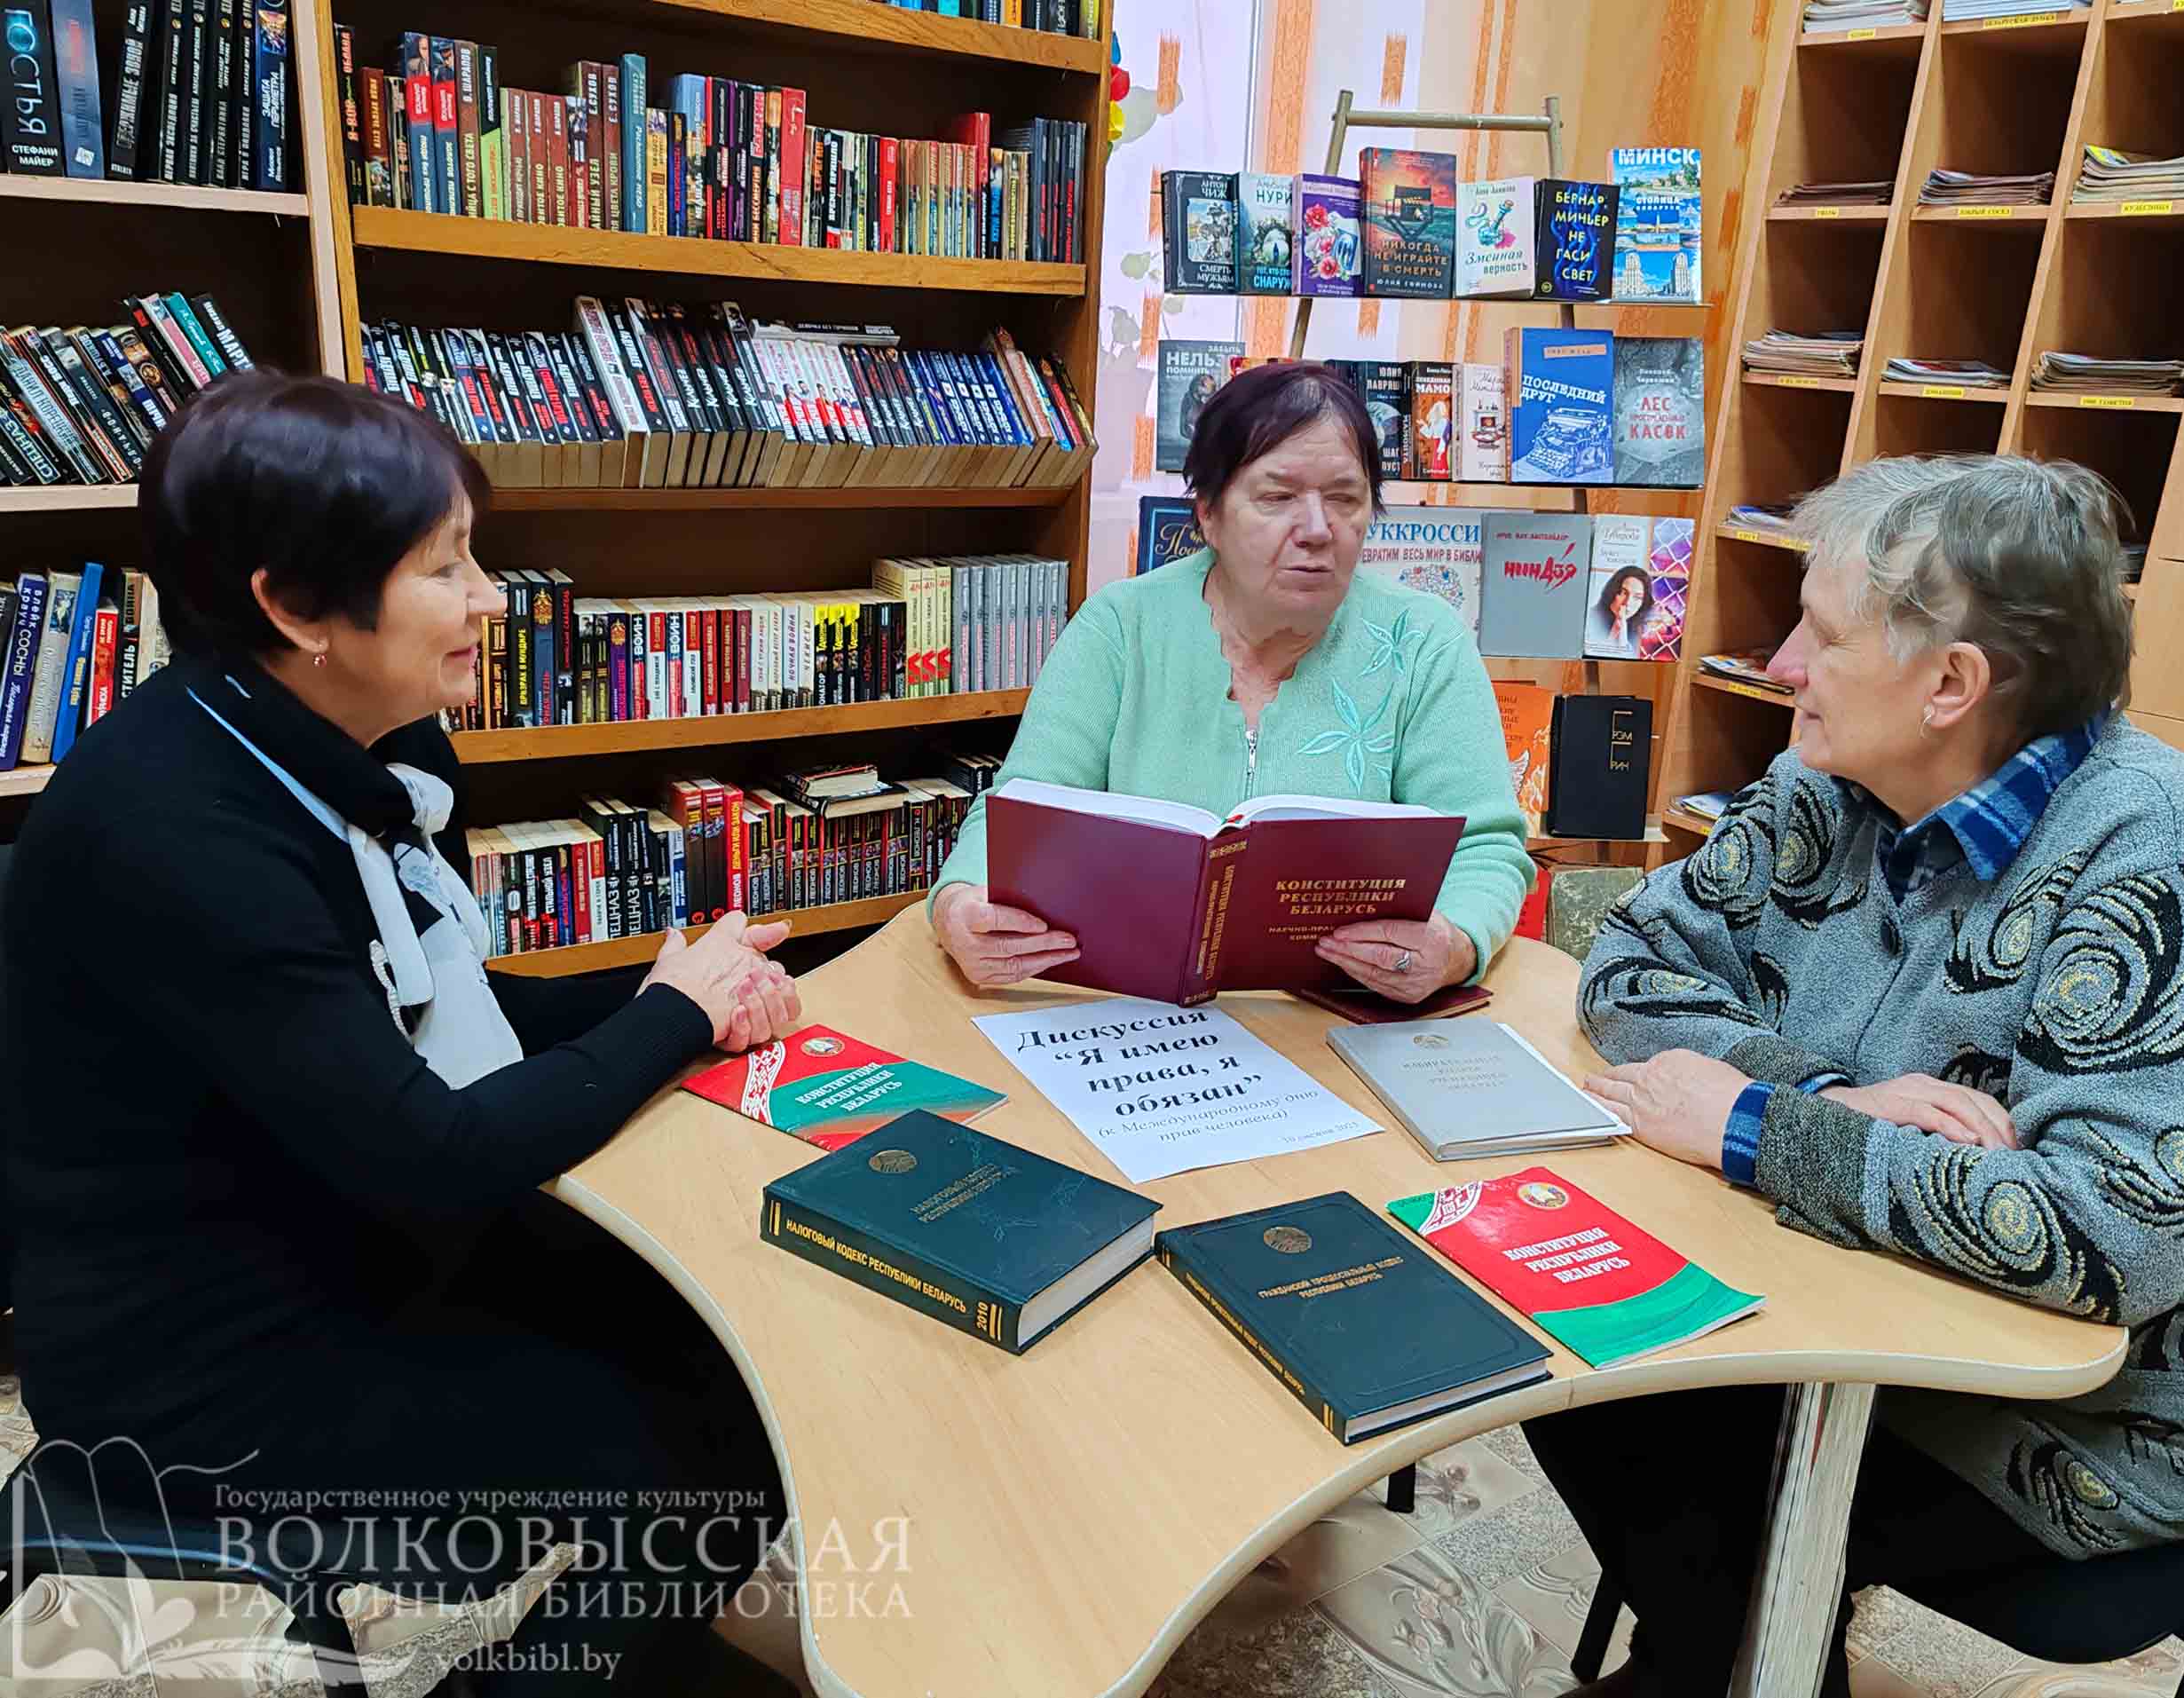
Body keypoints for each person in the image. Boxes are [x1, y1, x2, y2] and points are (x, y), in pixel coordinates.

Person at [1, 372, 805, 1694]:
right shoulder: (177, 830)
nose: (492, 598)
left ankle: (626, 1650)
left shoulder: (341, 745)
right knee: (668, 1456)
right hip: (205, 1356)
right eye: (446, 566)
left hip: (327, 1219)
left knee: (737, 1355)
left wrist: (669, 991)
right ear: (293, 608)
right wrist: (675, 1013)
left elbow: (430, 1009)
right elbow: (432, 1151)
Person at [1532, 454, 2184, 1696]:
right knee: (1569, 1342)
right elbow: (1628, 966)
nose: (1780, 666)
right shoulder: (1826, 774)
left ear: (1950, 684)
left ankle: (1718, 1664)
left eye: (1821, 636)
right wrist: (1813, 1097)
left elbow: (2106, 1240)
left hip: (2102, 1413)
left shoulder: (2156, 849)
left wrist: (1757, 1129)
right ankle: (1721, 1662)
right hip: (1852, 1303)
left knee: (1678, 1435)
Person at [929, 359, 1533, 1002]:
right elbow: (1017, 817)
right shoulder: (1122, 626)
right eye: (1277, 497)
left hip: (1338, 1015)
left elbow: (1486, 847)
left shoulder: (1422, 640)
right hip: (1128, 1009)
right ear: (1209, 515)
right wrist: (958, 906)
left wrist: (1453, 943)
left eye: (1344, 498)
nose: (1317, 529)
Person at [1586, 564, 1652, 659]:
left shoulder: (1643, 632)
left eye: (1637, 597)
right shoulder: (1590, 618)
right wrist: (1616, 629)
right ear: (1613, 592)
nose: (1628, 602)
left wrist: (1622, 633)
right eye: (1624, 593)